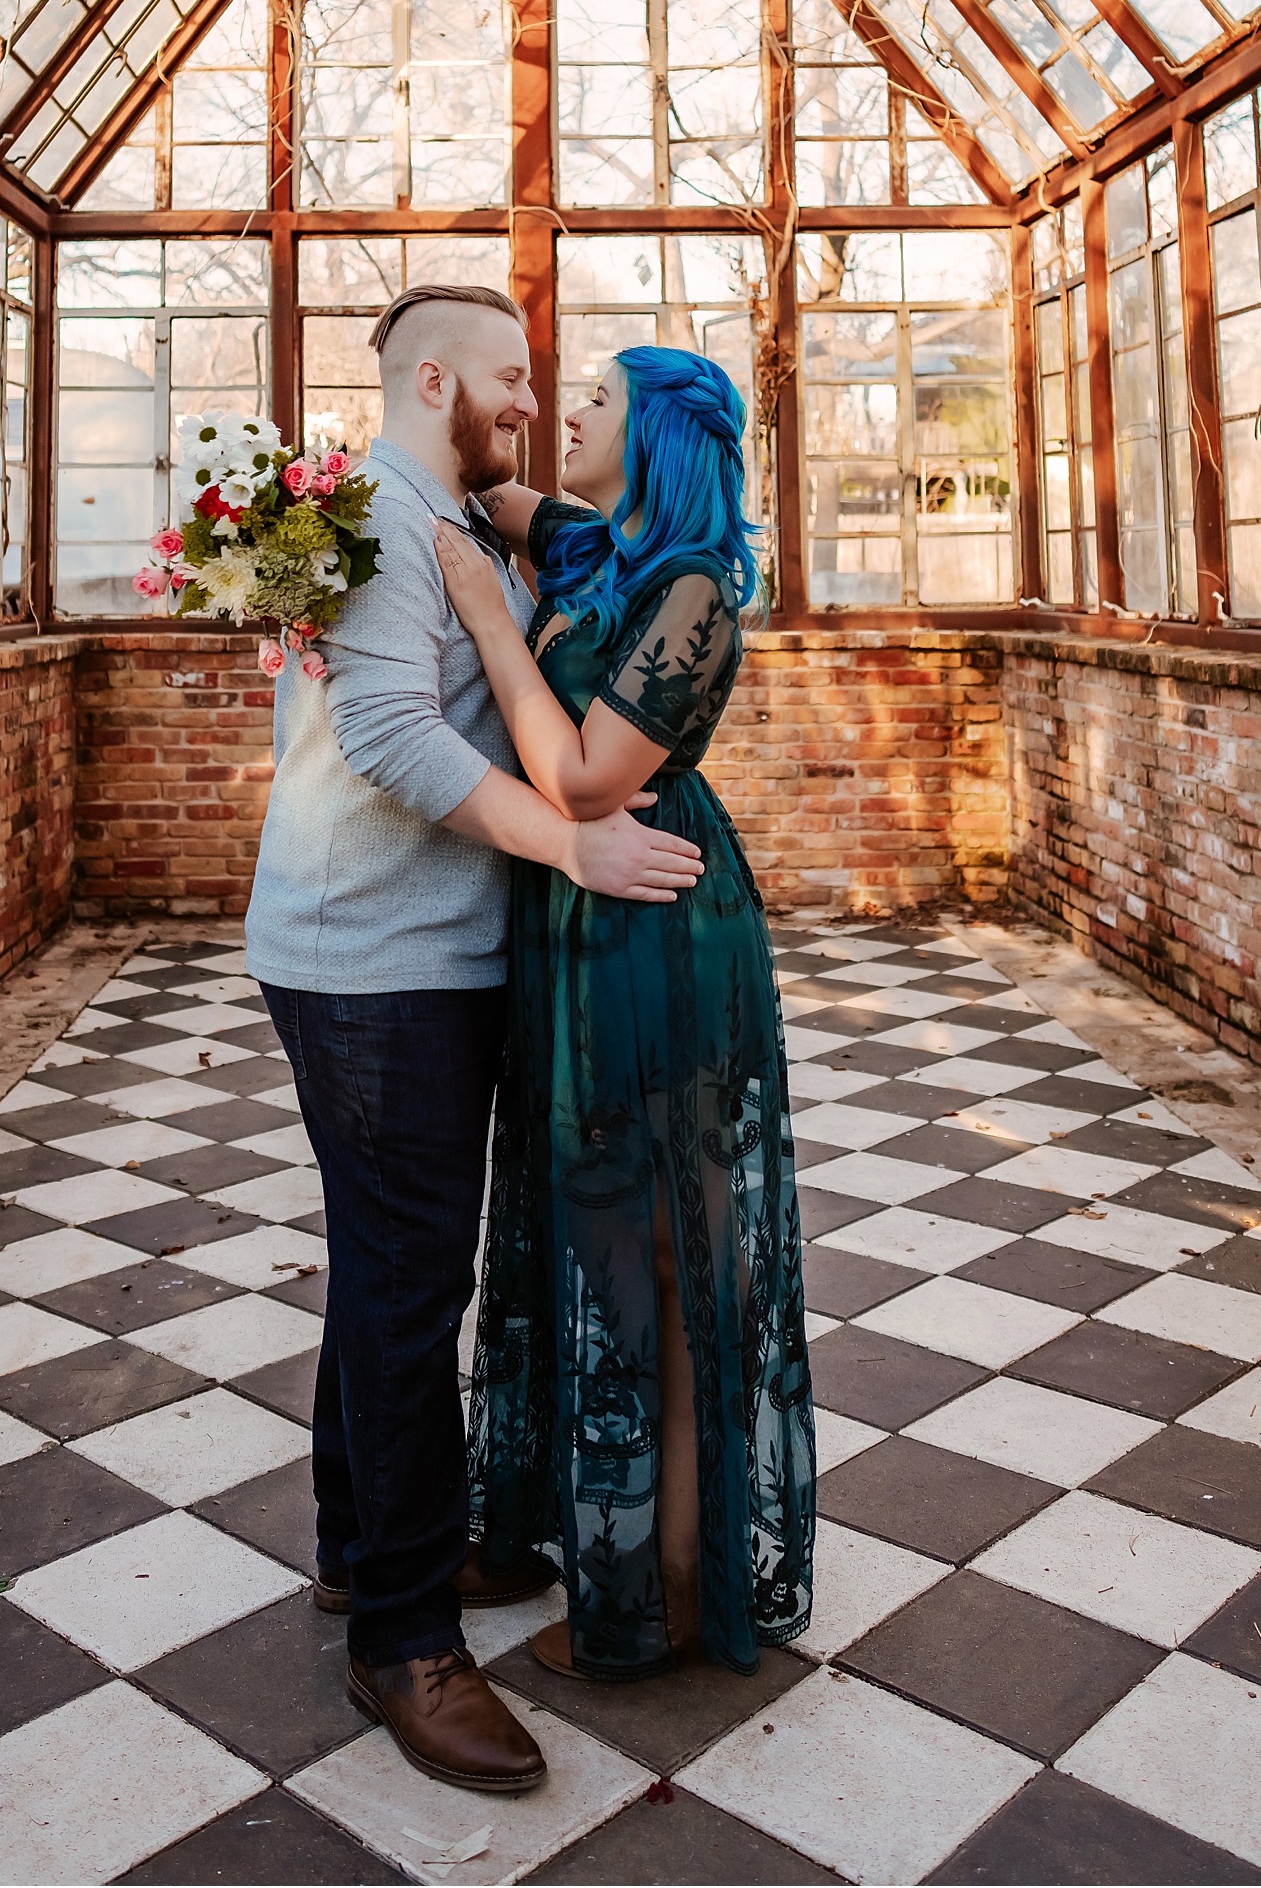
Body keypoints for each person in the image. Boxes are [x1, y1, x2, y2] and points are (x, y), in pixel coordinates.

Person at [246, 285, 705, 1797]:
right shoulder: (385, 513)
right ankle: (404, 1638)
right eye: (510, 376)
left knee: (384, 1267)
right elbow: (388, 737)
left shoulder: (425, 500)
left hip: (405, 952)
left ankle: (358, 1547)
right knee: (406, 1284)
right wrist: (569, 851)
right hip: (375, 963)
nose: (530, 397)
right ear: (431, 375)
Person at [434, 347, 815, 1680]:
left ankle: (668, 1595)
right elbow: (479, 483)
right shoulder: (590, 540)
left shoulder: (693, 589)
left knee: (663, 1258)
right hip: (572, 921)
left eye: (591, 401)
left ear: (655, 433)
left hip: (658, 927)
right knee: (585, 1240)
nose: (563, 415)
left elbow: (591, 778)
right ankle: (575, 1534)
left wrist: (490, 622)